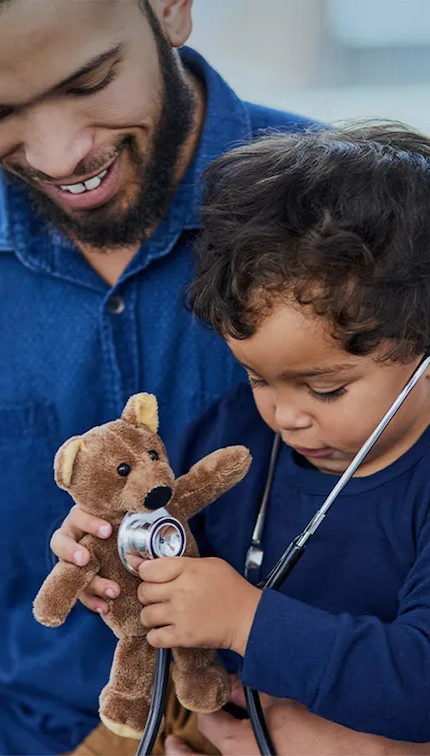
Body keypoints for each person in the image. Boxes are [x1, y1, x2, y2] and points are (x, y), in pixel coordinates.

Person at [0, 0, 317, 753]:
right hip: (10, 712)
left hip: (304, 719)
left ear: (171, 8)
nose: (56, 155)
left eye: (90, 83)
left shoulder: (378, 215)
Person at [65, 122, 430, 755]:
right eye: (259, 378)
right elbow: (174, 544)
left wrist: (245, 620)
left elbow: (420, 681)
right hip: (204, 713)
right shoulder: (234, 432)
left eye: (325, 389)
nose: (284, 417)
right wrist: (113, 551)